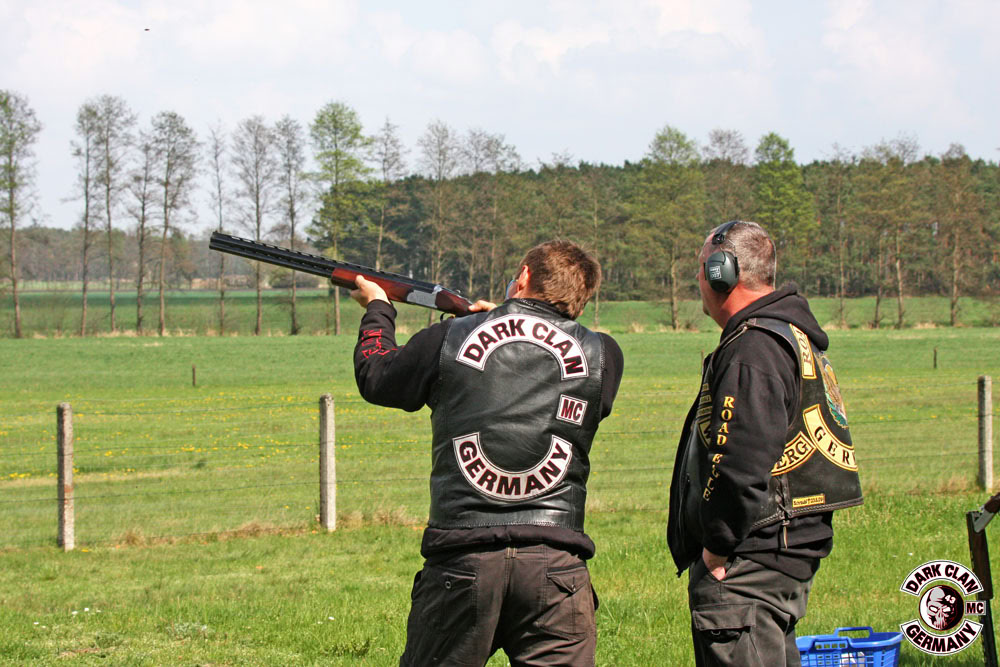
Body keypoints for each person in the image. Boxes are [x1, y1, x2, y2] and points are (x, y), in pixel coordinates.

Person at [351, 240, 624, 666]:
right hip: (557, 565)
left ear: (524, 275)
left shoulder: (448, 337)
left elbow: (377, 377)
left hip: (463, 557)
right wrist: (506, 321)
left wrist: (377, 308)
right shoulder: (604, 354)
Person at [667, 220, 863, 666]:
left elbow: (740, 460)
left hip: (748, 562)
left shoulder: (753, 347)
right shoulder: (789, 335)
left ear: (722, 272)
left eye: (702, 268)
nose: (697, 279)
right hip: (778, 553)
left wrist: (717, 547)